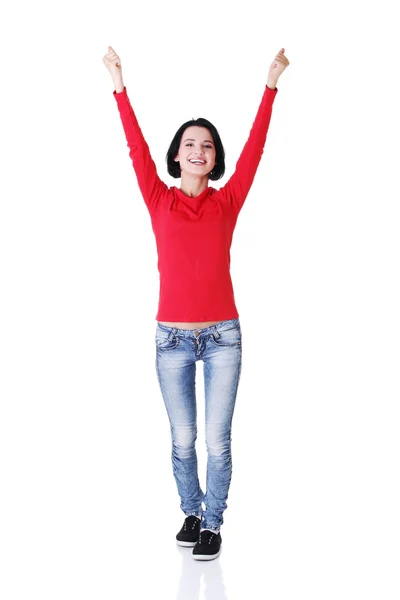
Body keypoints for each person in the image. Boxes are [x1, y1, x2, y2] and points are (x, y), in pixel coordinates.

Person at [102, 45, 289, 560]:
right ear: (178, 153)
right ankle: (192, 511)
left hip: (223, 337)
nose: (199, 150)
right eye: (190, 143)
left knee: (217, 442)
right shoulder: (160, 198)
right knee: (183, 441)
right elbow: (136, 149)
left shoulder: (227, 201)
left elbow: (255, 149)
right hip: (172, 340)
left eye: (207, 145)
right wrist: (120, 85)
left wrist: (270, 86)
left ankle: (213, 523)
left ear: (214, 156)